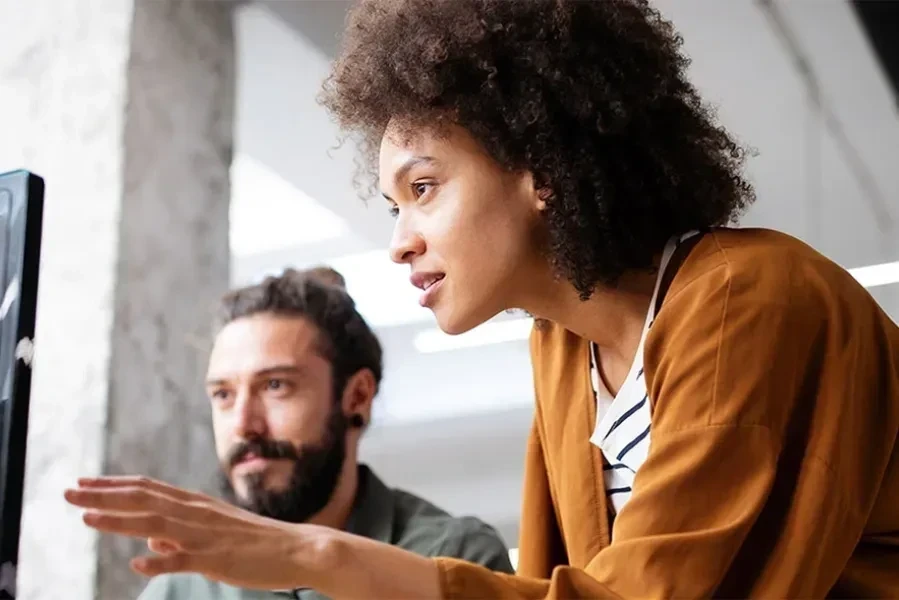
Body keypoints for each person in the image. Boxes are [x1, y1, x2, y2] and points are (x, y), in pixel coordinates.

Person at [64, 0, 899, 598]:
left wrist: (322, 558)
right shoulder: (562, 347)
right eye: (393, 207)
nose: (399, 241)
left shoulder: (745, 299)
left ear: (541, 166)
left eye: (423, 188)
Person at [134, 267, 514, 600]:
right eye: (223, 395)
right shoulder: (181, 585)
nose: (243, 425)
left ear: (357, 396)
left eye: (276, 386)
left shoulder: (453, 560)